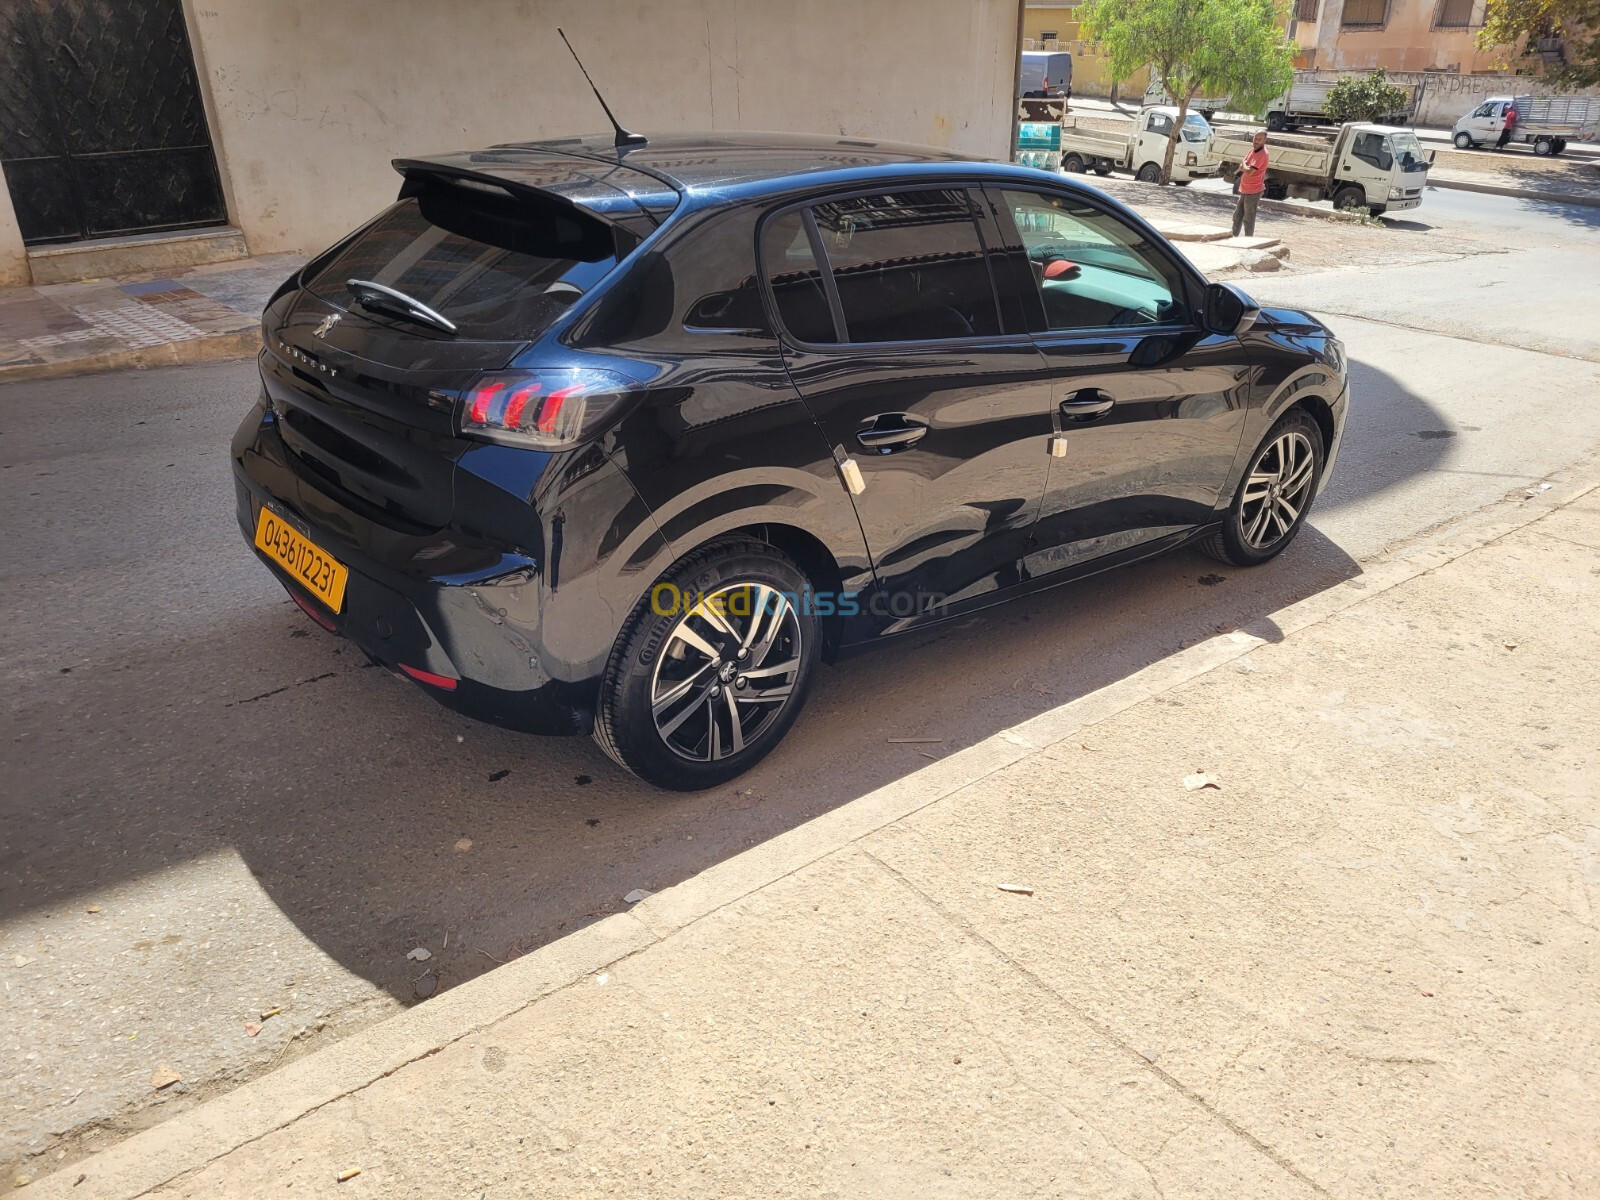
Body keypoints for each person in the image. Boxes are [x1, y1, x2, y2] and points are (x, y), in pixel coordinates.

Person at [1233, 130, 1269, 238]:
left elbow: (1248, 170)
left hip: (1253, 190)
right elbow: (1244, 164)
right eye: (1255, 138)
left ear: (1264, 140)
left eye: (1259, 139)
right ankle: (1233, 237)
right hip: (1245, 188)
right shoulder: (1253, 150)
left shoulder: (1263, 154)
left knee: (1248, 218)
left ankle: (1248, 240)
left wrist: (1244, 165)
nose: (1256, 141)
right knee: (1237, 215)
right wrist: (1244, 165)